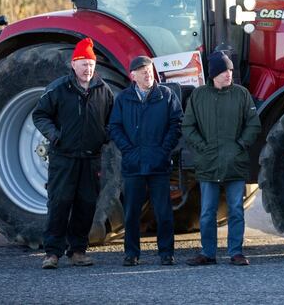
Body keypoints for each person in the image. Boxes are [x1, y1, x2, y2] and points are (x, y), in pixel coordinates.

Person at [33, 37, 114, 269]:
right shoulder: (59, 89)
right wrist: (55, 135)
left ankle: (78, 251)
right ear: (73, 64)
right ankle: (52, 253)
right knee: (59, 203)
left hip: (91, 158)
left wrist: (103, 136)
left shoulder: (103, 90)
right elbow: (40, 115)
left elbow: (113, 120)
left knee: (86, 204)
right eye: (83, 64)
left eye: (91, 64)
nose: (87, 69)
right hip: (63, 157)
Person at [183, 52, 261, 267]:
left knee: (236, 209)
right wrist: (203, 147)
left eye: (230, 70)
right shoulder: (198, 96)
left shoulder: (242, 94)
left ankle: (236, 252)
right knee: (207, 212)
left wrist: (240, 145)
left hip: (235, 161)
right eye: (224, 70)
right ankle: (208, 253)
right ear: (214, 74)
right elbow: (188, 127)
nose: (229, 74)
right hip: (208, 163)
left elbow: (254, 124)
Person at [109, 55, 182, 267]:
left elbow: (176, 124)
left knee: (164, 212)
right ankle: (131, 253)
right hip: (133, 165)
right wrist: (128, 150)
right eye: (142, 71)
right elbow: (114, 127)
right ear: (133, 76)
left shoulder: (166, 95)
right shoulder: (123, 99)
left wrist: (163, 150)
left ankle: (166, 253)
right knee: (131, 213)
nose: (147, 73)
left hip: (159, 164)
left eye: (149, 69)